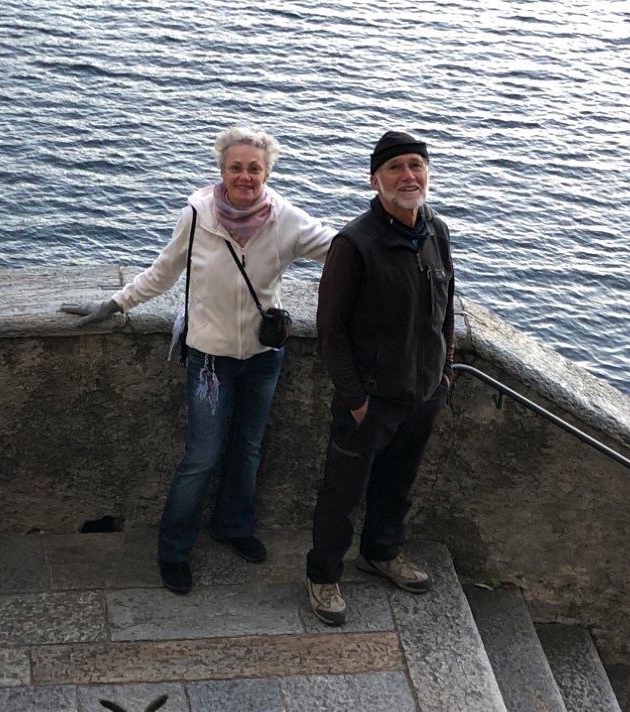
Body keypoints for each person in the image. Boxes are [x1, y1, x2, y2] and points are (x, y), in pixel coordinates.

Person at [62, 125, 334, 594]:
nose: (245, 176)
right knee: (202, 455)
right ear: (221, 170)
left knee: (249, 447)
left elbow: (343, 252)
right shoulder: (197, 214)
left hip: (264, 355)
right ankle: (173, 551)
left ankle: (233, 525)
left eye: (254, 168)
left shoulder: (286, 219)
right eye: (236, 167)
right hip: (209, 359)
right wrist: (115, 304)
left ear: (268, 172)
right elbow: (164, 271)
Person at [305, 131, 455, 626]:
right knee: (342, 493)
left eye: (416, 165)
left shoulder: (436, 232)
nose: (408, 176)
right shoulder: (355, 245)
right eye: (395, 168)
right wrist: (356, 398)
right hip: (370, 400)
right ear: (375, 180)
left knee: (398, 484)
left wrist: (443, 374)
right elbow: (331, 331)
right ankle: (323, 575)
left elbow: (446, 311)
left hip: (422, 393)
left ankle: (381, 552)